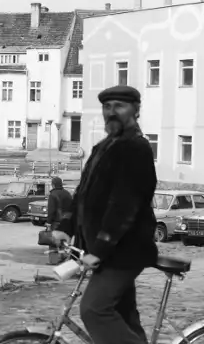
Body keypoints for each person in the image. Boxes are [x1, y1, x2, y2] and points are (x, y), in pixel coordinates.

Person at [52, 85, 158, 344]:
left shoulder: (136, 148)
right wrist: (66, 225)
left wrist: (99, 249)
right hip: (108, 253)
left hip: (124, 253)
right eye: (107, 107)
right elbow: (83, 194)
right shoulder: (103, 147)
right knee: (125, 318)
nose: (111, 112)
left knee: (93, 310)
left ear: (136, 111)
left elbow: (125, 206)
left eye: (119, 106)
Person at [44, 176, 73, 263]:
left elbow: (51, 211)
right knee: (65, 242)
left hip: (57, 222)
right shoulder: (67, 193)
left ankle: (54, 260)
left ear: (53, 185)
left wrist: (48, 223)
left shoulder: (53, 195)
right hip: (68, 221)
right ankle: (64, 259)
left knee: (54, 242)